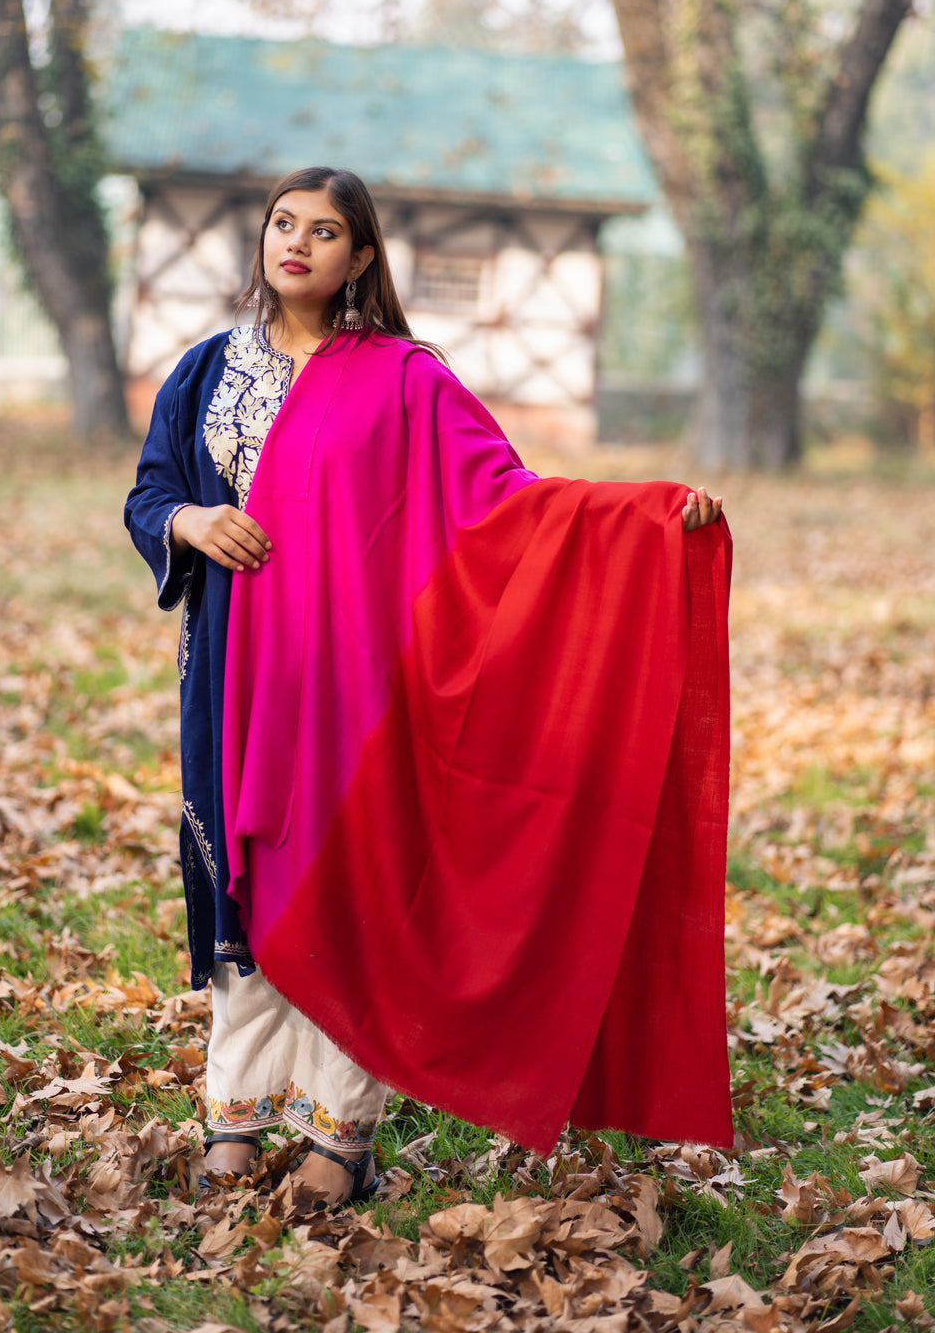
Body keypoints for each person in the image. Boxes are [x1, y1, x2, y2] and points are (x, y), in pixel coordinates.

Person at [126, 165, 730, 1207]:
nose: (297, 244)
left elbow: (504, 499)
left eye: (325, 231)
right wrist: (187, 523)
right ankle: (235, 1109)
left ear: (362, 258)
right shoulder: (204, 372)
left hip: (356, 678)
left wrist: (642, 519)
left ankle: (340, 1133)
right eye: (282, 224)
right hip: (231, 665)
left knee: (345, 880)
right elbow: (152, 492)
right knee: (242, 872)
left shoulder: (403, 376)